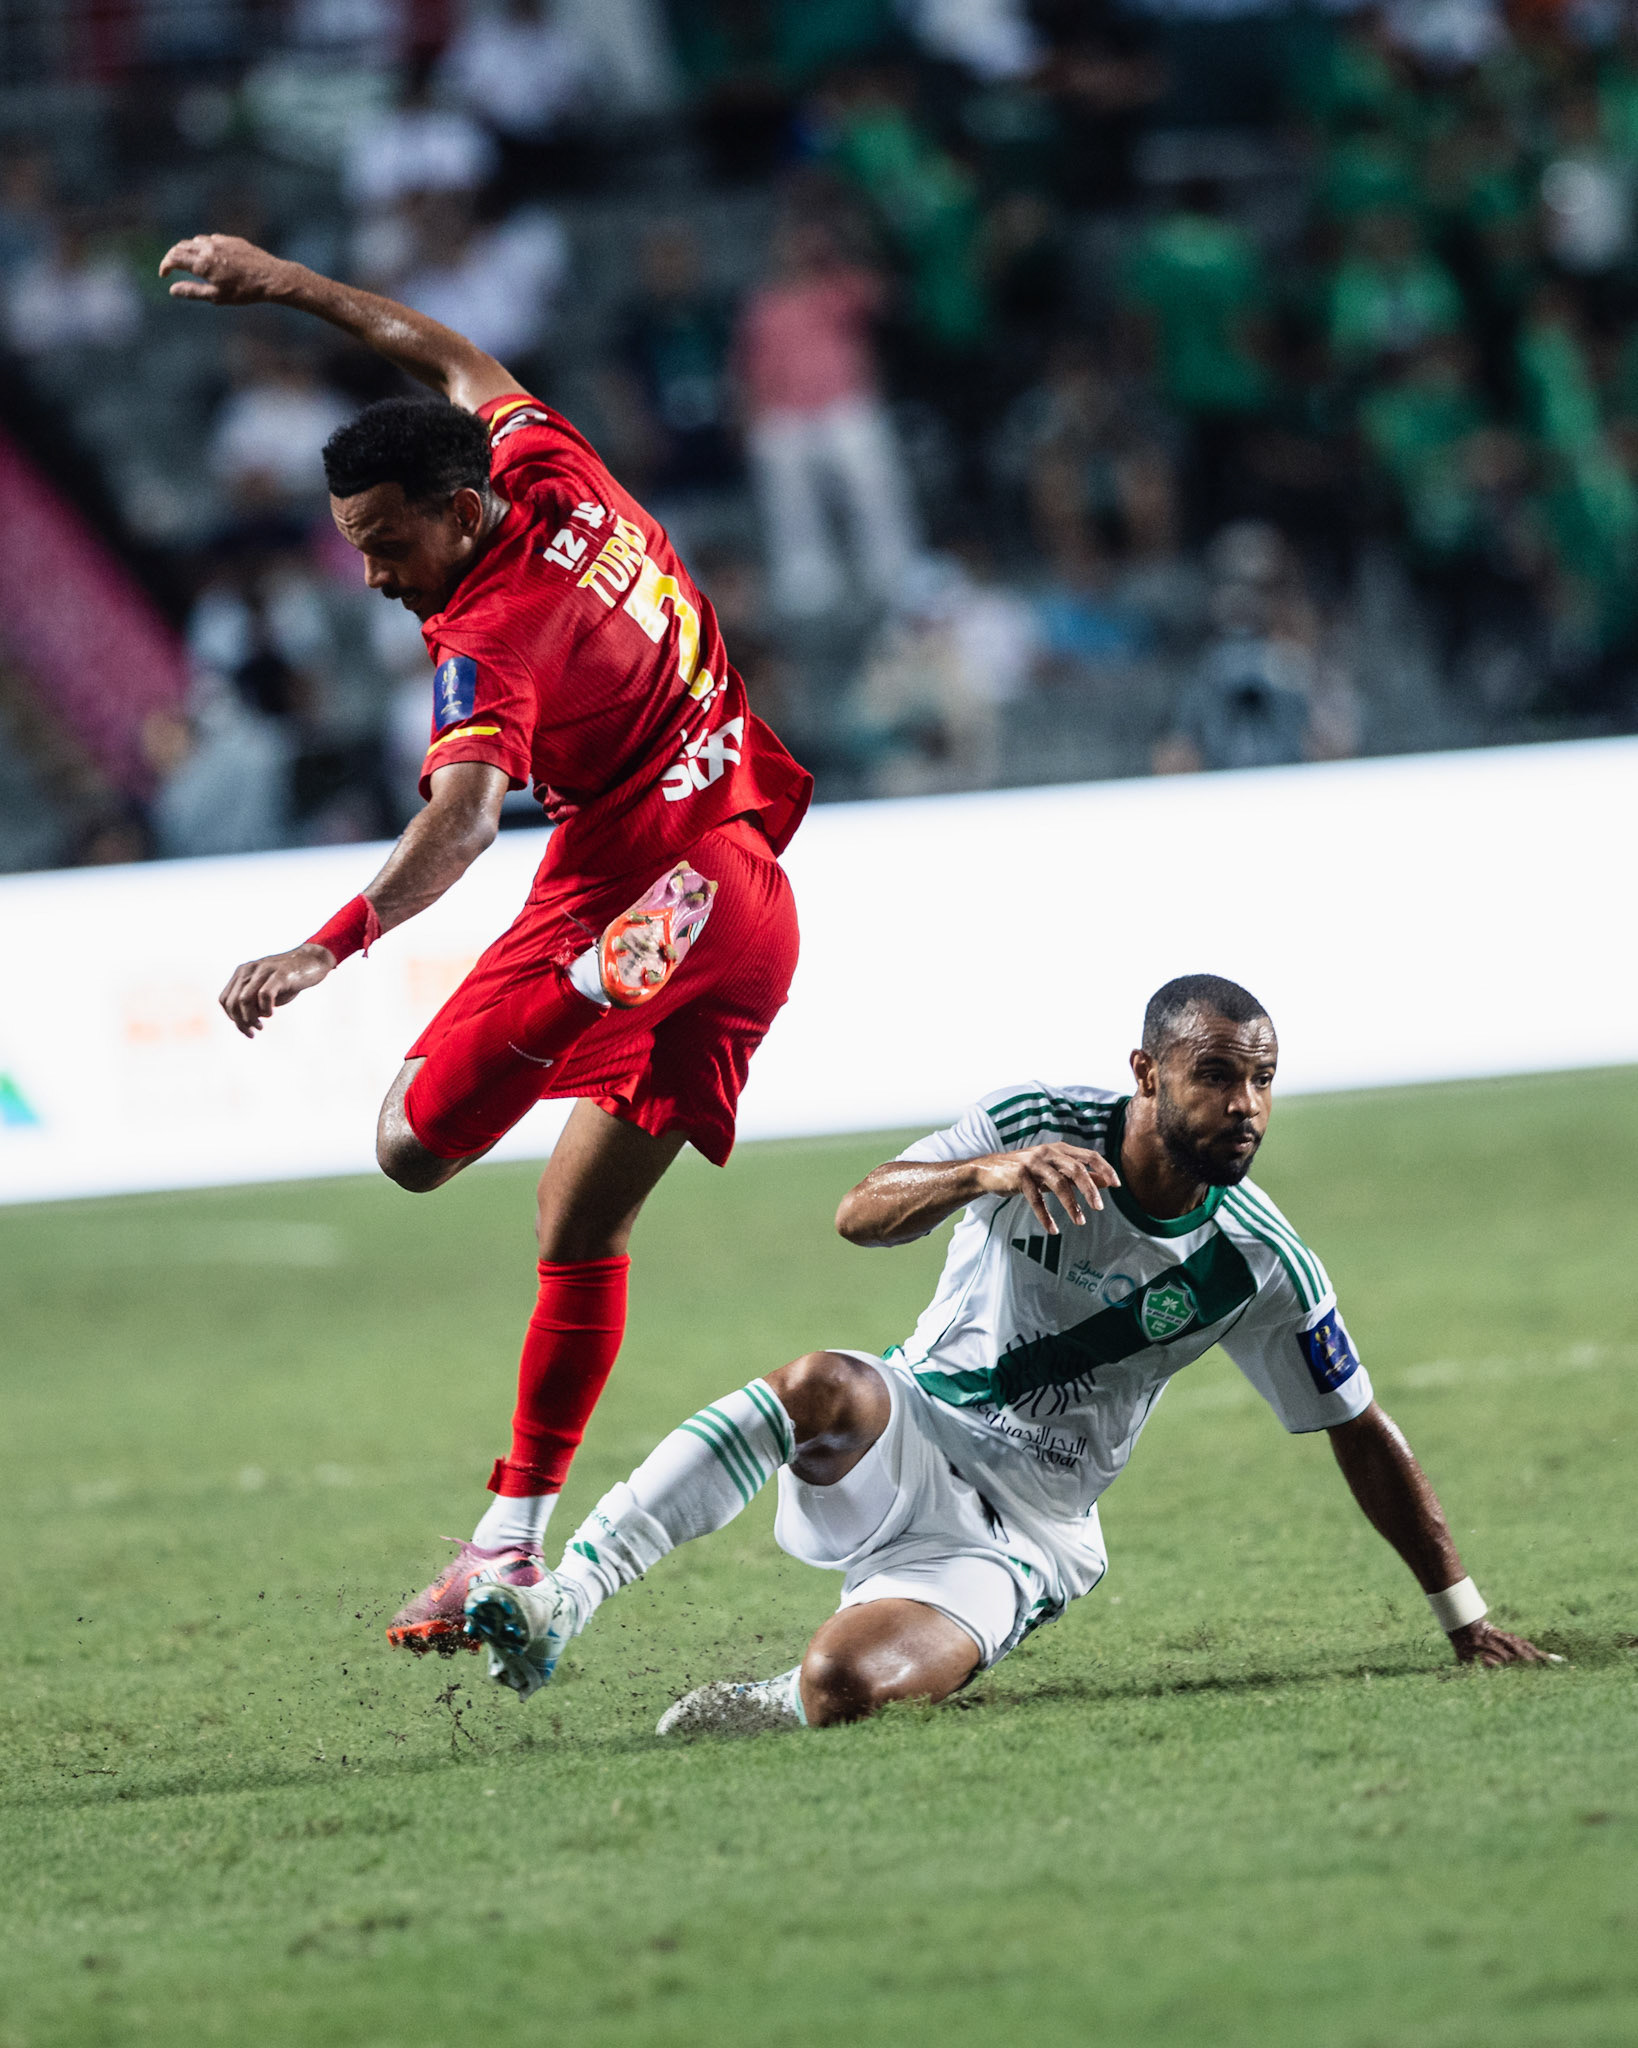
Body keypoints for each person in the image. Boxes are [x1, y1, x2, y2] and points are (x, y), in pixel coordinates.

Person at [158, 232, 812, 1654]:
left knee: (407, 1144)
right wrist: (288, 284)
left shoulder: (485, 633)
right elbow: (451, 359)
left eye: (389, 545)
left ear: (458, 513)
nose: (377, 576)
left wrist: (324, 947)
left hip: (624, 894)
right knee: (580, 1228)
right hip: (745, 890)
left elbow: (461, 821)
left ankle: (586, 987)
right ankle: (504, 1545)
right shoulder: (547, 463)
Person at [463, 974, 1552, 1728]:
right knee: (821, 1382)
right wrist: (975, 1175)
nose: (1246, 1105)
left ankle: (767, 1703)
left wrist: (1464, 1617)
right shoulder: (1034, 1120)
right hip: (911, 1425)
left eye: (1262, 1079)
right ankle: (570, 1592)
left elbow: (1356, 1427)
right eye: (1219, 1075)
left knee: (843, 1686)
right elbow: (859, 1212)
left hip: (1026, 1530)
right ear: (1147, 1069)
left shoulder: (1259, 1259)